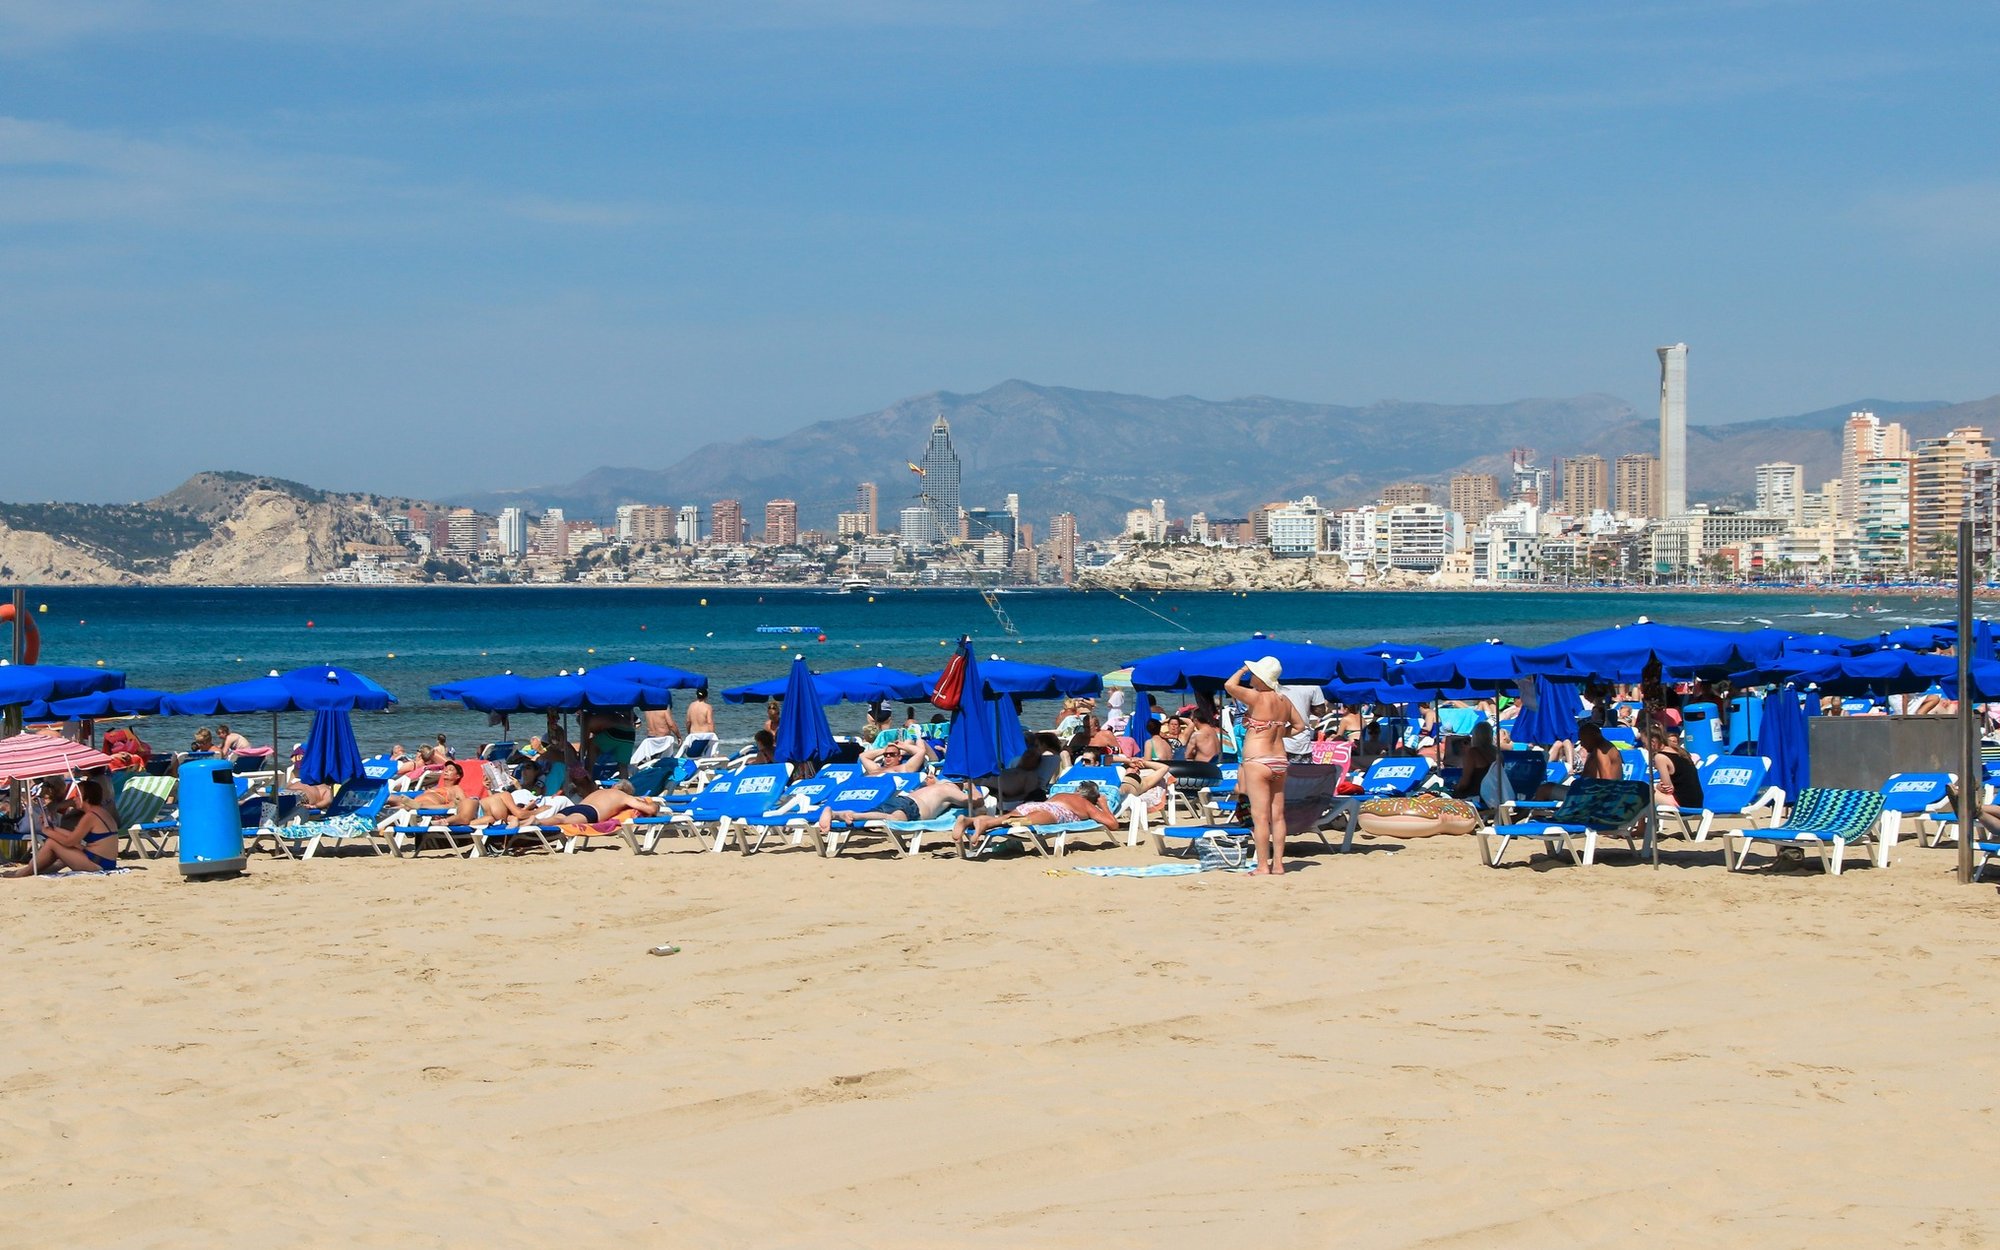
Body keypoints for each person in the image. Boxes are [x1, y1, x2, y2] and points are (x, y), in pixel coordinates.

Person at [1225, 657, 1306, 875]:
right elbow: (1300, 726)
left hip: (1257, 761)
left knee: (1260, 817)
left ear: (1261, 678)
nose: (1250, 676)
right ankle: (1279, 865)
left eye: (1253, 672)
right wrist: (1278, 731)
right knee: (1277, 816)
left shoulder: (1257, 697)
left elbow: (1229, 686)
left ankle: (1263, 866)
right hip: (1279, 760)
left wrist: (1241, 669)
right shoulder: (1283, 700)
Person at [949, 782, 1121, 854]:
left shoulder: (1061, 794)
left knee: (1008, 818)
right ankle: (985, 822)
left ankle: (971, 821)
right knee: (1019, 822)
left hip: (1033, 805)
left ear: (1078, 790)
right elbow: (1113, 824)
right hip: (1051, 814)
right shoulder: (1086, 804)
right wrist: (1102, 804)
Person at [5, 777, 121, 876]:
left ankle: (24, 872)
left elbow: (69, 841)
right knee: (61, 854)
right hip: (105, 861)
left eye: (77, 796)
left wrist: (47, 832)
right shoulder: (101, 812)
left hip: (97, 864)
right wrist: (53, 829)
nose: (74, 799)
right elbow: (74, 837)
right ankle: (35, 870)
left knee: (52, 843)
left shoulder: (90, 816)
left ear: (86, 798)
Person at [816, 776, 980, 833]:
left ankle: (836, 813)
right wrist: (970, 785)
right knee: (895, 819)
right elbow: (975, 801)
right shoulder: (948, 789)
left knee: (876, 815)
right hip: (912, 807)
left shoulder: (931, 788)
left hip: (898, 799)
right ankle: (856, 815)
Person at [386, 761, 479, 824]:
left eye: (450, 770)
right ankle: (382, 814)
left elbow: (463, 802)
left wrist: (453, 803)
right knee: (388, 797)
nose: (446, 771)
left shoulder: (455, 788)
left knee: (402, 808)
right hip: (413, 802)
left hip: (426, 805)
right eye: (446, 769)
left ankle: (387, 818)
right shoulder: (436, 787)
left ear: (457, 776)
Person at [545, 780, 662, 827]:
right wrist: (654, 805)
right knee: (563, 822)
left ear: (613, 786)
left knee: (558, 818)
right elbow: (650, 810)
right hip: (590, 811)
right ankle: (536, 822)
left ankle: (532, 820)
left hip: (575, 807)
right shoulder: (624, 796)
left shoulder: (600, 791)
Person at [1648, 726, 1704, 810]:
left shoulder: (1660, 757)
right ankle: (1646, 823)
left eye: (1644, 744)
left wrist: (1658, 787)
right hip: (1697, 801)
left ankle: (1642, 823)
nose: (1645, 747)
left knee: (1643, 792)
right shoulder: (1680, 752)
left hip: (1682, 803)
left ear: (1653, 742)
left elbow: (1668, 788)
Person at [1278, 682, 1329, 762]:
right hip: (1301, 742)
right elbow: (1320, 712)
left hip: (1277, 740)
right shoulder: (1312, 684)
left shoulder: (1275, 683)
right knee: (1303, 773)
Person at [1450, 723, 1498, 802]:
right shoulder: (1497, 752)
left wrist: (1455, 787)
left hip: (1477, 795)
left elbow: (1464, 783)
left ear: (1475, 736)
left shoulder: (1473, 752)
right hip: (1493, 794)